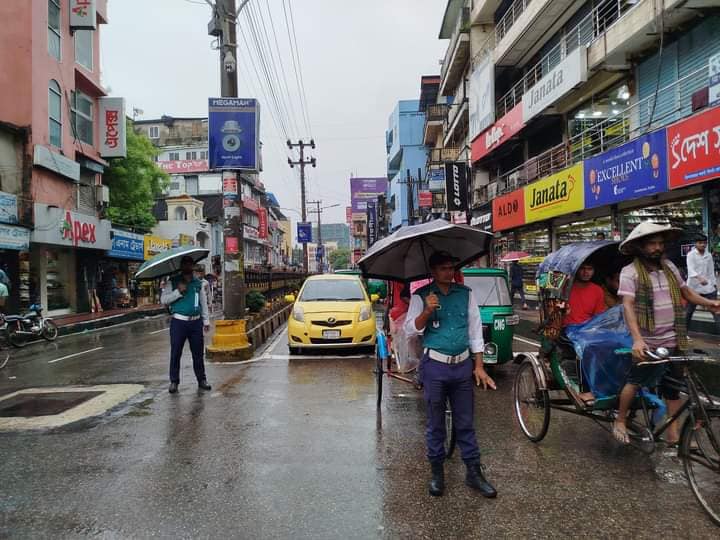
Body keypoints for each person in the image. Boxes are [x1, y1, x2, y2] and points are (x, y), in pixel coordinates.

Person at [614, 222, 720, 444]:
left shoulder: (670, 267)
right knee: (635, 381)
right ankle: (621, 420)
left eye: (660, 243)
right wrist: (637, 339)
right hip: (648, 342)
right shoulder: (630, 272)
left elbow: (687, 292)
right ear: (640, 247)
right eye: (652, 244)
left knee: (673, 388)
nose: (657, 248)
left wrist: (710, 303)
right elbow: (628, 305)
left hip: (674, 337)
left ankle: (673, 434)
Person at [405, 251, 497, 499]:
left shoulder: (465, 294)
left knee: (465, 421)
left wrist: (479, 365)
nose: (449, 272)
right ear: (433, 271)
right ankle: (437, 472)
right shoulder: (421, 296)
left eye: (451, 267)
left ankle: (473, 471)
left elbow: (475, 330)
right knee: (435, 422)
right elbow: (409, 331)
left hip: (462, 365)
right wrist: (426, 311)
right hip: (435, 365)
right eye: (443, 268)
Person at [161, 256, 212, 394]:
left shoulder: (198, 283)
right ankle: (174, 381)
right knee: (176, 352)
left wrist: (206, 321)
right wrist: (178, 292)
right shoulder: (173, 281)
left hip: (195, 322)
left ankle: (202, 380)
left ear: (193, 266)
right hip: (179, 322)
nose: (188, 266)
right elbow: (164, 300)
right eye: (186, 264)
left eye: (191, 264)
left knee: (198, 353)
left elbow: (203, 302)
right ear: (181, 266)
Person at [685, 234, 720, 334]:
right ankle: (683, 335)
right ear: (695, 244)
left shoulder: (708, 255)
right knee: (688, 312)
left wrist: (714, 284)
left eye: (704, 243)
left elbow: (711, 271)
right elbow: (690, 269)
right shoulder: (690, 255)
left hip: (708, 288)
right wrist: (698, 277)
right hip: (693, 288)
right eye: (700, 243)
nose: (703, 245)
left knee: (716, 312)